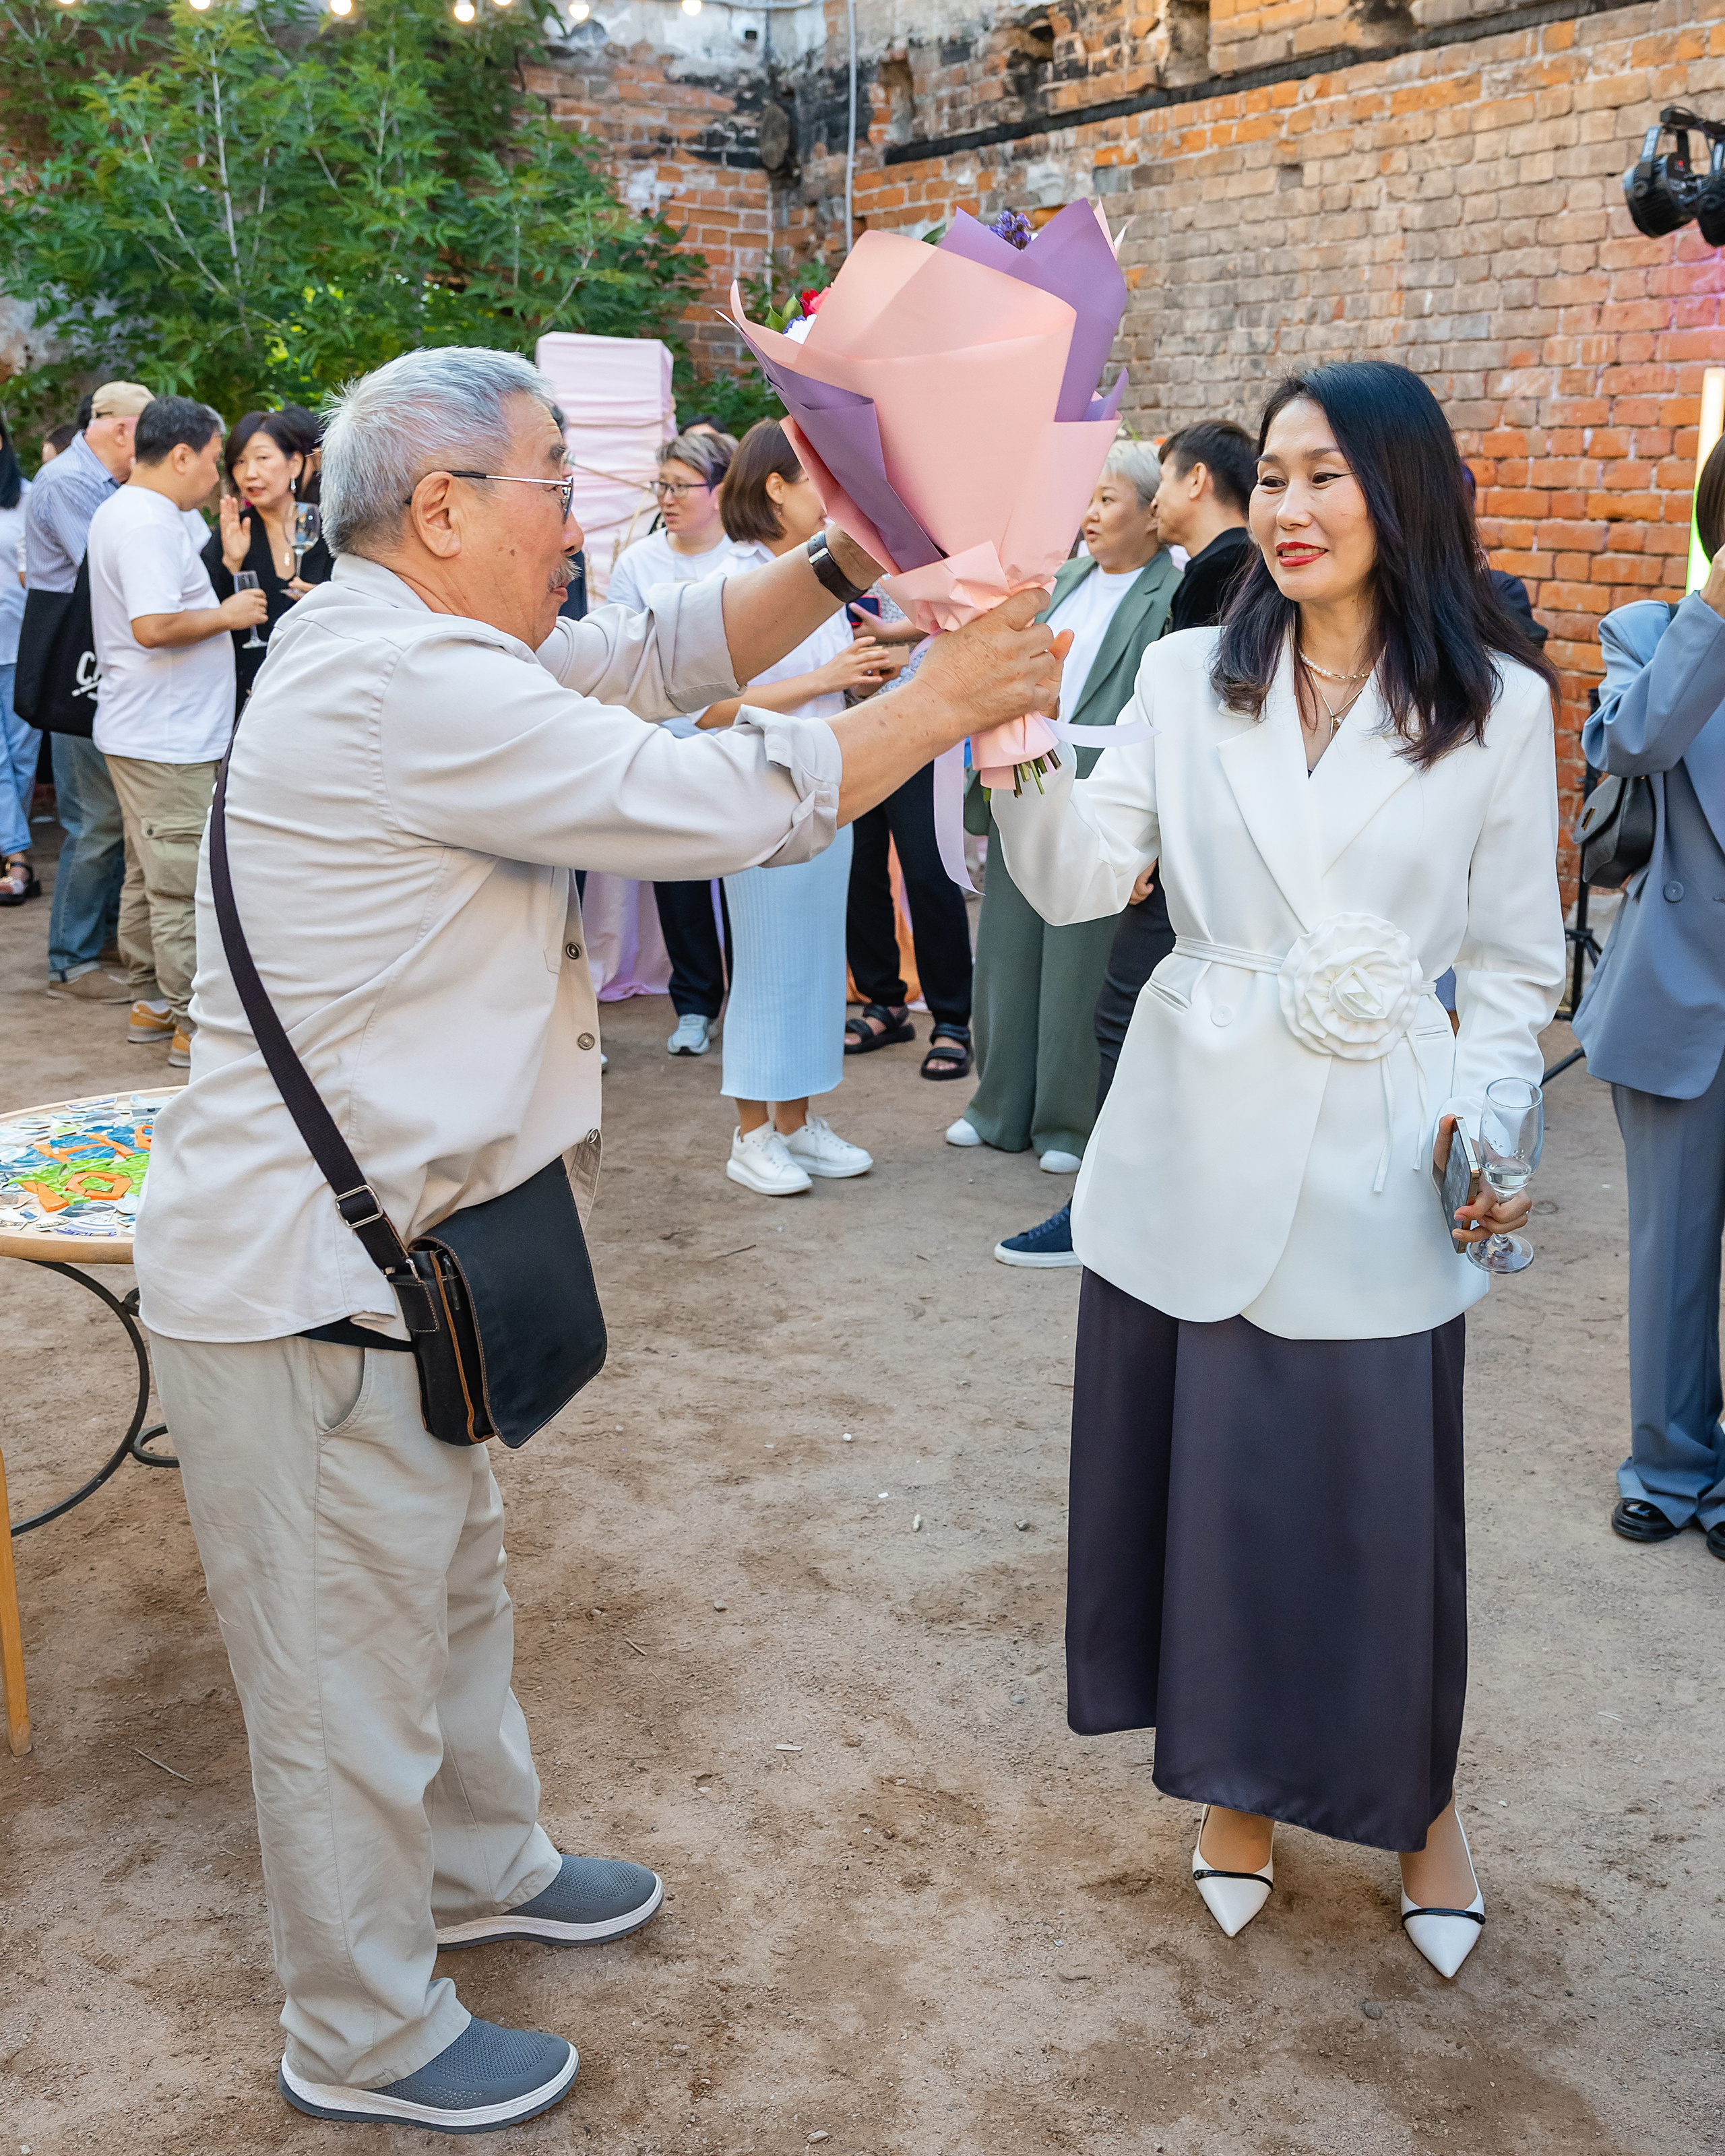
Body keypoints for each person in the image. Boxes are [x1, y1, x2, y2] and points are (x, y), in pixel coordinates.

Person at [133, 345, 1061, 2134]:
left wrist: (850, 563)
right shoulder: (413, 688)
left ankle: (482, 1865)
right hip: (316, 1287)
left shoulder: (413, 642)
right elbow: (703, 797)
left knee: (449, 1596)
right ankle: (365, 2032)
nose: (595, 525)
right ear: (448, 508)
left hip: (404, 1266)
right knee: (342, 1683)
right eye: (566, 485)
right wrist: (939, 704)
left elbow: (651, 661)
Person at [991, 360, 1561, 1977]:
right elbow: (1087, 871)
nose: (1290, 510)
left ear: (1401, 492)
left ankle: (1415, 1804)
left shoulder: (1496, 706)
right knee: (1211, 1494)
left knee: (1384, 1509)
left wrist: (1490, 1121)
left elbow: (1517, 968)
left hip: (1387, 1142)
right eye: (1272, 480)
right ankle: (1228, 1792)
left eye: (1325, 476)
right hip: (1195, 1126)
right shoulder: (1183, 675)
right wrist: (1013, 749)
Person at [999, 420, 1259, 1267]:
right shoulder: (1191, 618)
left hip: (1195, 865)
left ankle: (1108, 1203)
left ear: (1186, 484)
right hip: (1150, 831)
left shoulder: (1218, 578)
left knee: (1125, 1016)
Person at [1572, 435, 1725, 1562]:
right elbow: (1632, 740)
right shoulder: (1650, 635)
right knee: (1671, 1250)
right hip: (1682, 990)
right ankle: (1669, 1468)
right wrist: (1714, 609)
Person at [948, 441, 1179, 1177]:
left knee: (1078, 964)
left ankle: (1068, 1122)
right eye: (1087, 498)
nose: (1090, 514)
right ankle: (996, 1105)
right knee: (1007, 955)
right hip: (1026, 780)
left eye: (1109, 498)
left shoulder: (1168, 593)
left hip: (1106, 797)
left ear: (1152, 512)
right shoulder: (1063, 579)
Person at [703, 419, 896, 1195]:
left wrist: (860, 676)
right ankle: (750, 1134)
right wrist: (827, 682)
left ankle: (797, 1121)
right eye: (817, 480)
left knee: (818, 963)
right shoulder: (734, 578)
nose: (831, 499)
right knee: (767, 963)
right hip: (755, 790)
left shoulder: (815, 576)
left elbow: (826, 686)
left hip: (825, 785)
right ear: (773, 486)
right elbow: (713, 707)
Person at [86, 395, 267, 1069]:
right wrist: (228, 615)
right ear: (183, 454)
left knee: (146, 869)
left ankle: (150, 1001)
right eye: (217, 459)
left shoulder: (142, 513)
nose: (219, 475)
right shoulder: (145, 523)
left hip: (149, 729)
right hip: (166, 736)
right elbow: (153, 626)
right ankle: (195, 1022)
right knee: (181, 882)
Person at [606, 427, 743, 1057]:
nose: (667, 498)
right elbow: (622, 648)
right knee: (680, 881)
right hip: (666, 739)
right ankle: (694, 1005)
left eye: (681, 486)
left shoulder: (749, 559)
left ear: (718, 492)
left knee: (748, 875)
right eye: (661, 485)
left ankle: (747, 998)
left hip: (743, 736)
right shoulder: (639, 562)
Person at [23, 379, 154, 1003]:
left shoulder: (111, 486)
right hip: (78, 675)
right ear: (126, 429)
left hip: (107, 671)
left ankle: (97, 944)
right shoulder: (71, 484)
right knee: (95, 820)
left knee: (112, 819)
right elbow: (113, 570)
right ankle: (70, 963)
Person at [842, 593, 976, 1080]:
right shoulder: (830, 546)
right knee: (859, 872)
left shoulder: (930, 540)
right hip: (849, 728)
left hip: (924, 729)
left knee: (929, 873)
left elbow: (964, 618)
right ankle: (884, 1003)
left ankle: (951, 1020)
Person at [202, 406, 333, 707]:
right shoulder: (233, 530)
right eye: (240, 462)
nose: (250, 474)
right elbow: (203, 612)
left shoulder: (329, 531)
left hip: (320, 690)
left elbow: (365, 602)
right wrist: (231, 563)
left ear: (295, 464)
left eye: (263, 459)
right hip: (251, 696)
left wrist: (327, 599)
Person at [0, 416, 38, 906]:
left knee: (23, 761)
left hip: (21, 646)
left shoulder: (27, 498)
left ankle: (12, 855)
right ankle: (19, 857)